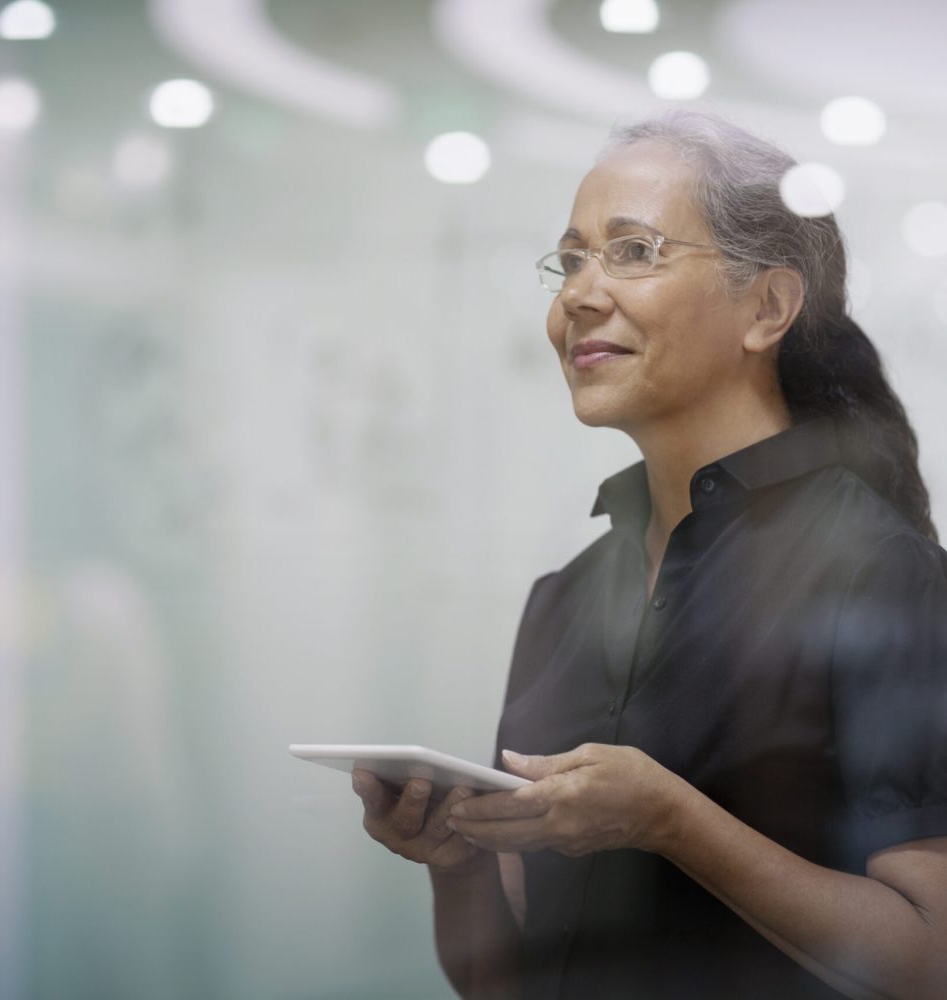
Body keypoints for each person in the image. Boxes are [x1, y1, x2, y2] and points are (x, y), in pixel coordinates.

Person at [351, 111, 947, 999]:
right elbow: (507, 984)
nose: (579, 296)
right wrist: (457, 861)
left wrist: (670, 821)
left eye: (633, 252)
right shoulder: (564, 599)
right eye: (570, 261)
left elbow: (932, 961)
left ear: (769, 308)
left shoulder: (882, 572)